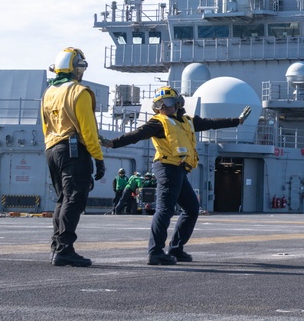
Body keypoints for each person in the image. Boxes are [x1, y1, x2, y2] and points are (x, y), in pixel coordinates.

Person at [102, 86, 251, 265]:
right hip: (166, 167)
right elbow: (137, 134)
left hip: (178, 169)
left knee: (191, 209)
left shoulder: (187, 122)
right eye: (159, 104)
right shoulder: (158, 122)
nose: (164, 106)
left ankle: (176, 249)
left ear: (178, 103)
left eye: (168, 102)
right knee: (165, 209)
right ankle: (155, 252)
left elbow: (211, 122)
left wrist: (237, 121)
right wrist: (113, 143)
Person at [41, 47, 105, 267]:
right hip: (73, 150)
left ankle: (57, 247)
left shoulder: (49, 92)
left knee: (62, 199)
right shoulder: (79, 92)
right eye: (81, 67)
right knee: (75, 198)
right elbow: (88, 130)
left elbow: (45, 125)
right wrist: (98, 158)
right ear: (76, 68)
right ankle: (64, 249)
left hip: (52, 149)